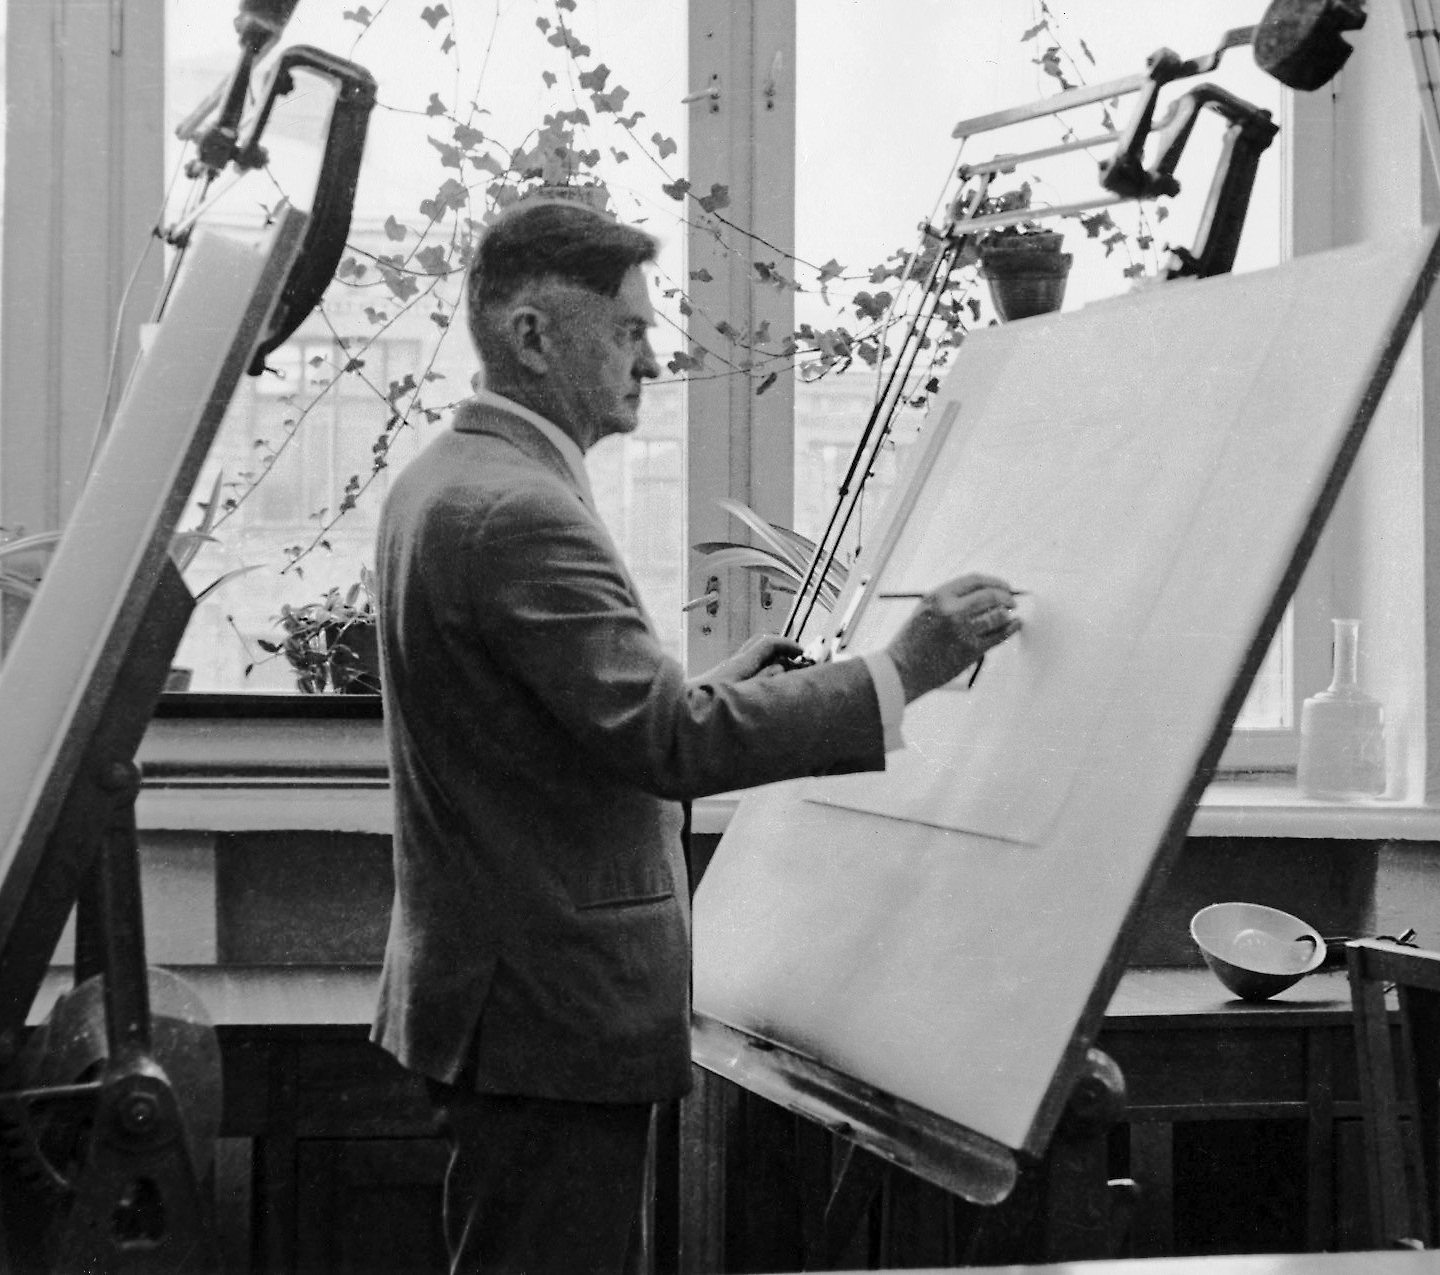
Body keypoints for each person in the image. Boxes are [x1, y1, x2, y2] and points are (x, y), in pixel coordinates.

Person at [372, 198, 1020, 1274]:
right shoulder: (518, 510)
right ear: (533, 337)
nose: (651, 357)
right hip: (546, 1007)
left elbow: (568, 731)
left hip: (505, 997)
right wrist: (905, 668)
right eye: (627, 330)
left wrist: (713, 691)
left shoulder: (450, 480)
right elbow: (669, 743)